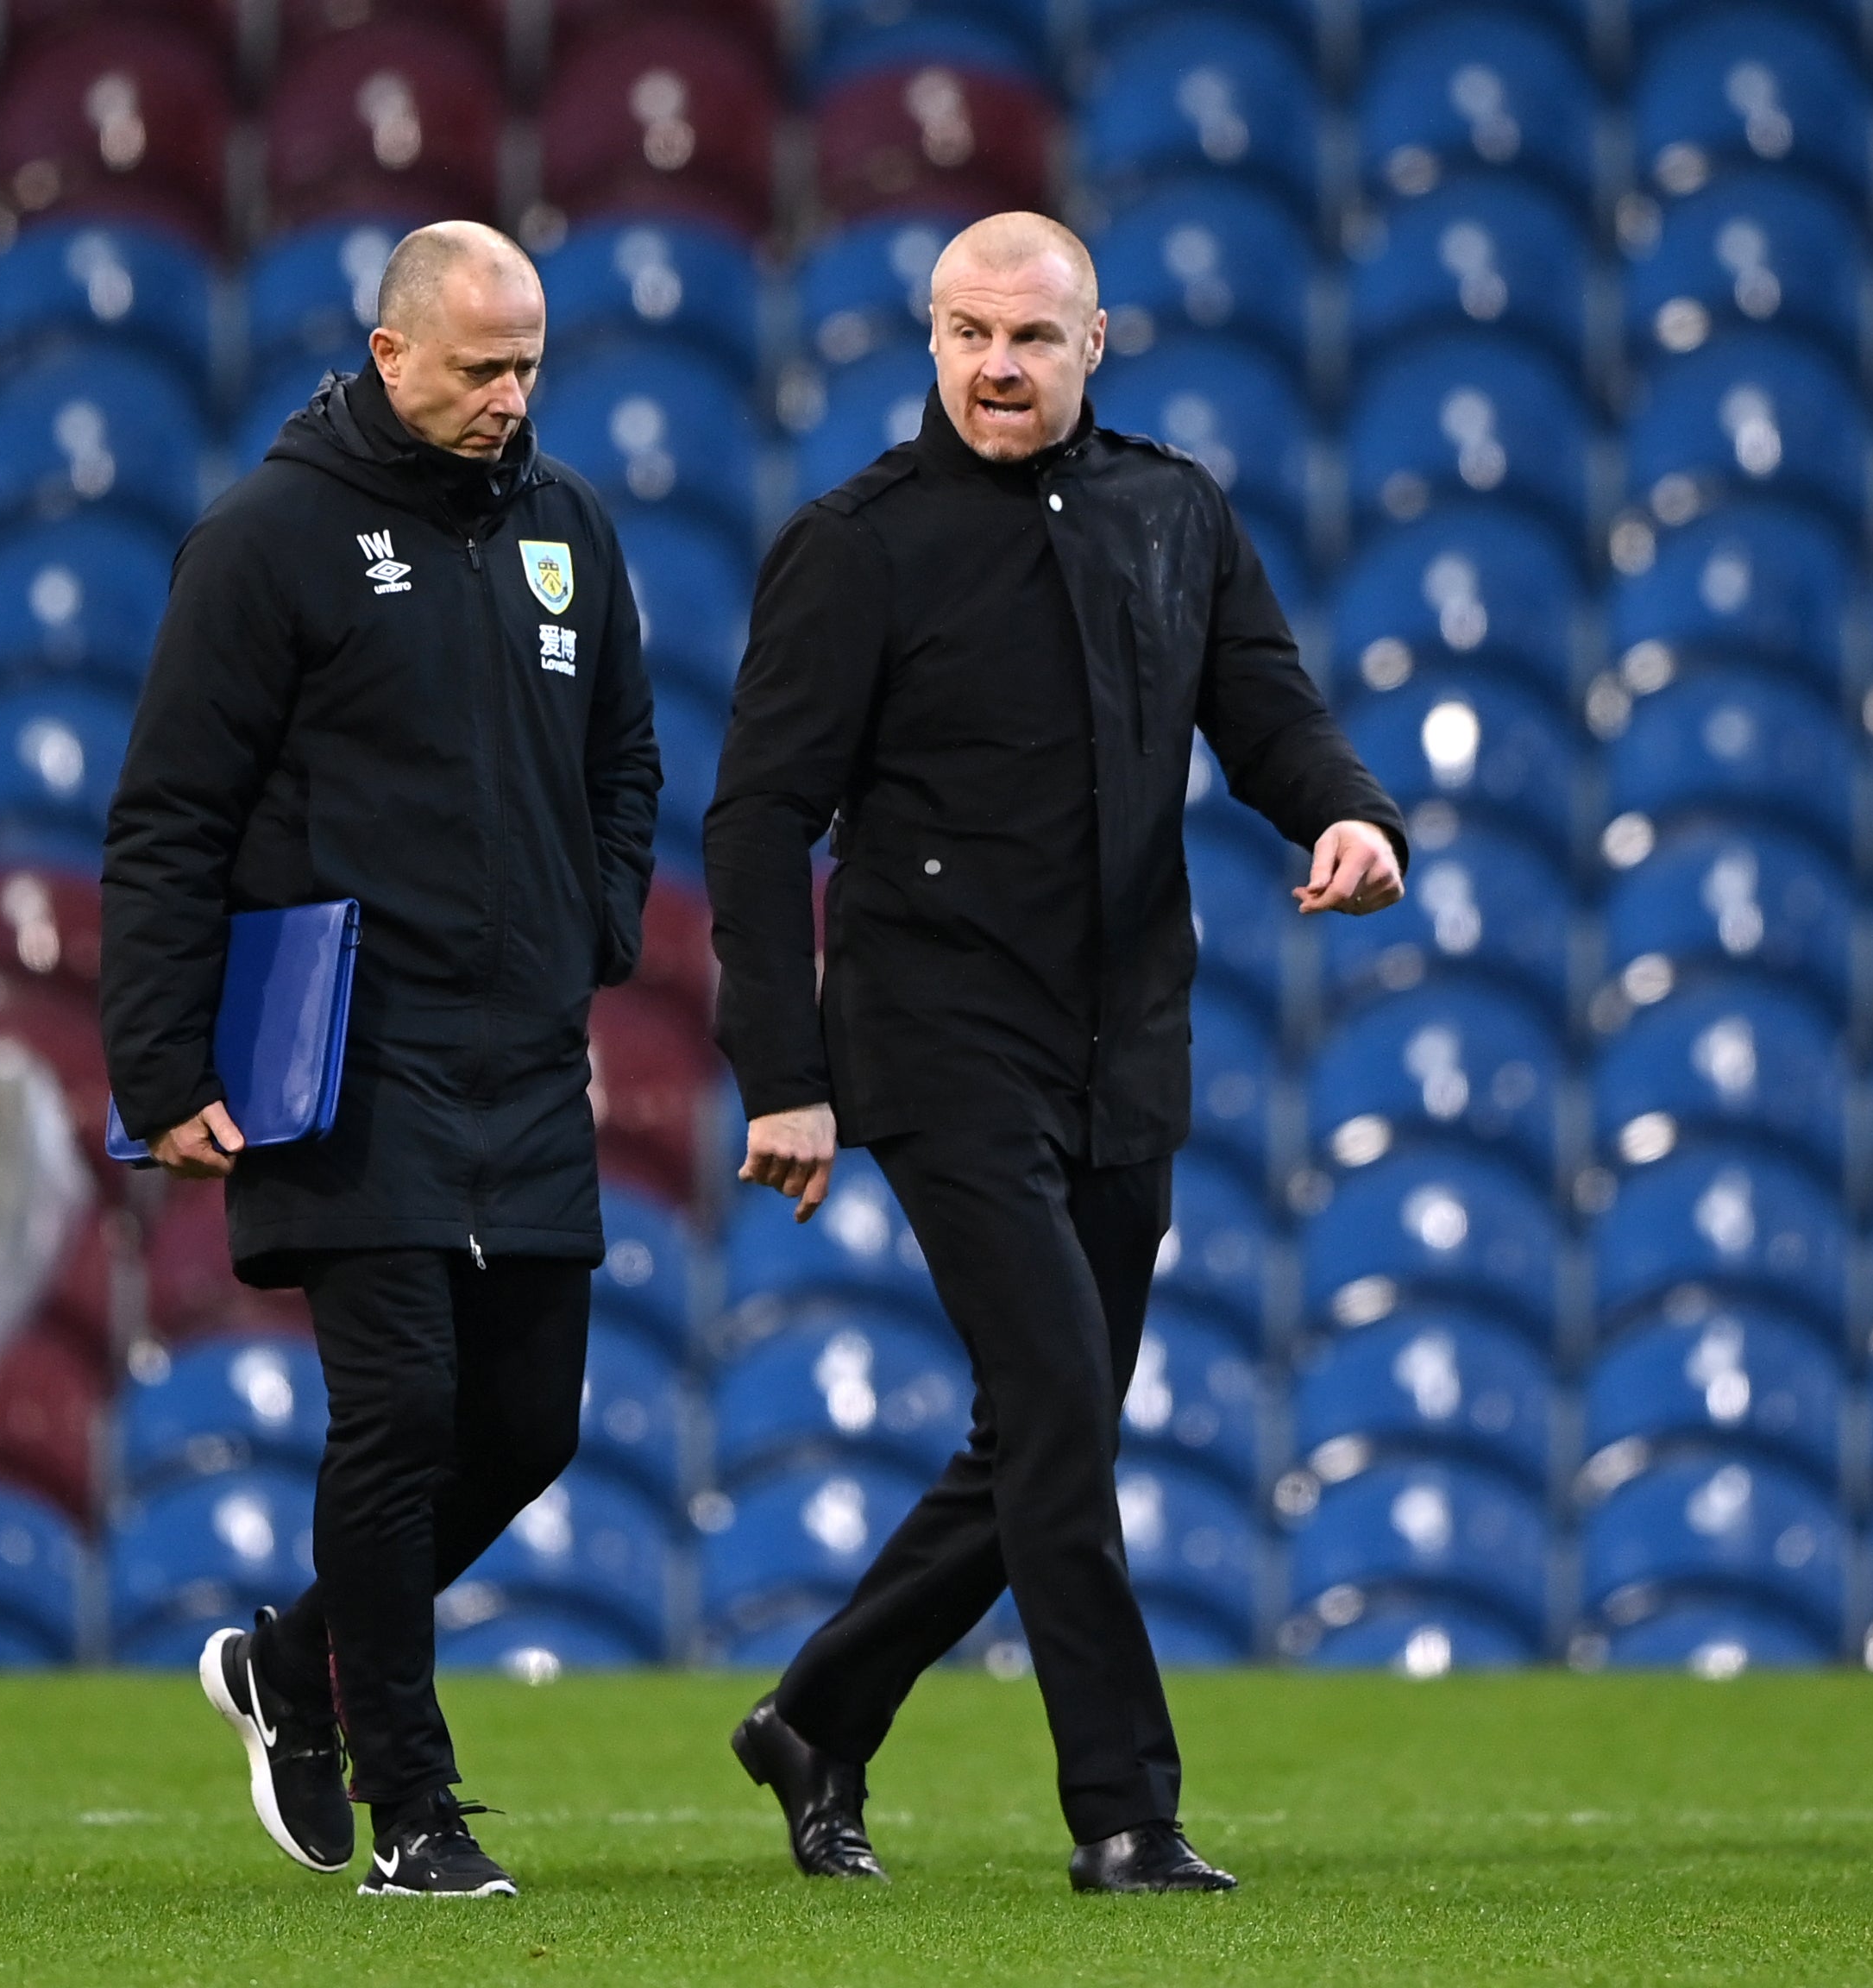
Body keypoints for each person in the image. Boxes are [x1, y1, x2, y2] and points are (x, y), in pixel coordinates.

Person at [705, 212, 1406, 1894]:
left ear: (1100, 340)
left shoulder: (1173, 513)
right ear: (930, 342)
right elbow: (754, 822)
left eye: (1028, 336)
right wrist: (784, 1072)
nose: (995, 365)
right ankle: (1121, 1814)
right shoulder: (853, 544)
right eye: (964, 334)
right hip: (937, 1038)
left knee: (1047, 1427)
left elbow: (1264, 709)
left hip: (1122, 1036)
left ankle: (817, 1711)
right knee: (1055, 1412)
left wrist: (1348, 817)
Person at [98, 221, 660, 1901]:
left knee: (528, 1428)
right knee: (403, 1410)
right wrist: (155, 1060)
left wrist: (595, 929)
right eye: (479, 366)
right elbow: (169, 816)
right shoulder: (266, 538)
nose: (508, 398)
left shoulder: (569, 532)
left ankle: (289, 1662)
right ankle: (415, 1809)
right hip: (345, 1053)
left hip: (522, 1050)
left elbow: (624, 761)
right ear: (389, 352)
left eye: (529, 366)